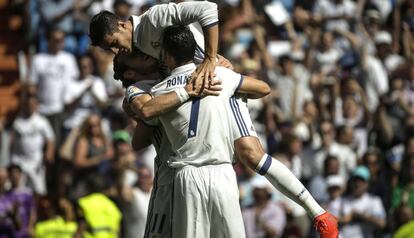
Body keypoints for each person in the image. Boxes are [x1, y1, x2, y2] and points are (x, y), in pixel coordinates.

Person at [121, 25, 338, 237]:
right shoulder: (220, 76)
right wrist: (227, 79)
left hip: (183, 177)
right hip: (222, 171)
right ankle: (320, 215)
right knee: (255, 158)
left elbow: (139, 138)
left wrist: (183, 95)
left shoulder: (157, 93)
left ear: (165, 56)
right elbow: (264, 88)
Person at [89, 1, 219, 87]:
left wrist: (210, 58)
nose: (116, 52)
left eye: (115, 43)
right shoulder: (140, 45)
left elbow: (207, 9)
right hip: (204, 81)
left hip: (216, 74)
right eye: (109, 49)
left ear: (122, 25)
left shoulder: (153, 18)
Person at [10, 89, 55, 195]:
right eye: (28, 104)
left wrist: (49, 152)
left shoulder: (42, 122)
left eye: (32, 104)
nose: (30, 106)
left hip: (36, 162)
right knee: (19, 191)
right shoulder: (18, 121)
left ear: (36, 105)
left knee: (37, 192)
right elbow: (12, 140)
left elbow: (50, 139)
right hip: (20, 161)